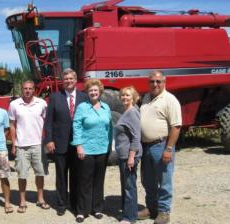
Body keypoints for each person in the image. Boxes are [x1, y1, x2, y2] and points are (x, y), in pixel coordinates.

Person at [139, 70, 182, 224]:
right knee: (148, 180)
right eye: (152, 81)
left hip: (161, 145)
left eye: (158, 81)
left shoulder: (170, 100)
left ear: (165, 82)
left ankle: (164, 211)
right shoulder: (146, 97)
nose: (155, 84)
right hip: (146, 147)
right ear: (148, 83)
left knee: (164, 180)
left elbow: (176, 126)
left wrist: (169, 149)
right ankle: (151, 208)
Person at [44, 68, 88, 216]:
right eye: (66, 79)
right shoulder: (55, 97)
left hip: (78, 145)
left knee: (76, 175)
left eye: (71, 78)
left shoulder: (84, 97)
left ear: (76, 80)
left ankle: (75, 204)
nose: (69, 81)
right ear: (63, 81)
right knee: (61, 176)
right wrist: (49, 139)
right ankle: (61, 204)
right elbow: (48, 121)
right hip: (59, 143)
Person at [72, 79, 112, 223]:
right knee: (84, 181)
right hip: (86, 150)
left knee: (99, 180)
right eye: (91, 91)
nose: (93, 93)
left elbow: (110, 128)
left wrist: (109, 146)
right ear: (87, 93)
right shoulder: (82, 107)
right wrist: (78, 145)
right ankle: (82, 211)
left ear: (100, 92)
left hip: (102, 149)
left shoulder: (106, 108)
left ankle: (98, 208)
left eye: (96, 90)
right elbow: (76, 126)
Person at [8, 80, 50, 213]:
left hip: (38, 144)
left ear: (34, 90)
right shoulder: (14, 104)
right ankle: (22, 201)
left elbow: (47, 123)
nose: (28, 91)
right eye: (25, 88)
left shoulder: (41, 103)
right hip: (21, 145)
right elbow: (12, 125)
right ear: (22, 89)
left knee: (40, 173)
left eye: (30, 88)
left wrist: (48, 141)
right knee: (22, 175)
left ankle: (41, 199)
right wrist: (13, 144)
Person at [114, 87, 142, 224]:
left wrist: (131, 156)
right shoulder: (126, 111)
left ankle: (130, 217)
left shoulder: (132, 113)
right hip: (123, 155)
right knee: (126, 184)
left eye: (128, 95)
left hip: (129, 156)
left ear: (134, 97)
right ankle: (128, 212)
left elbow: (137, 136)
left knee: (129, 186)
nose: (125, 97)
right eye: (123, 95)